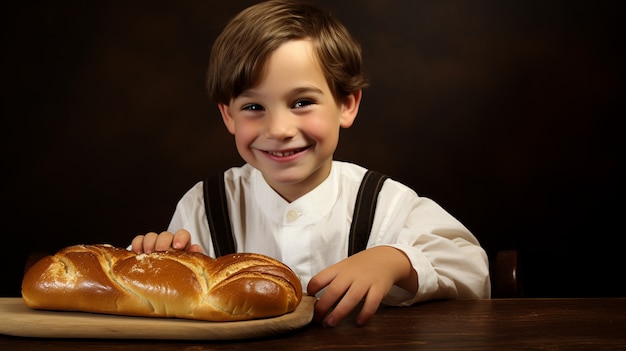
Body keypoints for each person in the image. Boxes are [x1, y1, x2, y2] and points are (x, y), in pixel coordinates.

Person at [130, 0, 490, 327]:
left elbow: (473, 269)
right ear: (228, 116)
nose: (279, 129)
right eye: (254, 107)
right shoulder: (203, 206)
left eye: (302, 102)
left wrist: (394, 261)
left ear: (347, 104)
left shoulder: (384, 203)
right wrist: (160, 260)